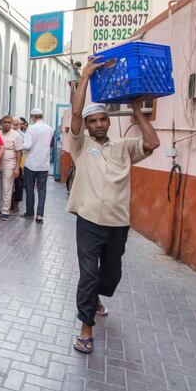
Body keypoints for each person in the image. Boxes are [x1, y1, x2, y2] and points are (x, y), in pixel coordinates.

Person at [68, 57, 159, 355]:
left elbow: (153, 143)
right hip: (89, 221)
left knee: (111, 274)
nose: (96, 125)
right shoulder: (81, 146)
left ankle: (95, 298)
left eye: (102, 120)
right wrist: (86, 77)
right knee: (89, 274)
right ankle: (86, 327)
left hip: (118, 223)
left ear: (108, 122)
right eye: (92, 121)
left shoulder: (123, 147)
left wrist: (136, 111)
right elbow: (77, 112)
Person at [22, 108, 55, 223]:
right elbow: (50, 146)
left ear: (33, 117)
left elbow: (27, 145)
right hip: (44, 164)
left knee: (30, 188)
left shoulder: (31, 128)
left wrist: (20, 145)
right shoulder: (50, 129)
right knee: (42, 190)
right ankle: (40, 215)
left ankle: (30, 212)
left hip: (31, 164)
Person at [0, 116, 23, 221]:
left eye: (9, 122)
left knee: (7, 187)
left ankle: (5, 211)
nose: (7, 124)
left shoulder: (16, 135)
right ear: (2, 123)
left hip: (10, 164)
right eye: (5, 122)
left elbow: (18, 152)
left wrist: (17, 167)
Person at [12, 117, 28, 211]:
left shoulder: (23, 135)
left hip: (20, 161)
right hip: (9, 161)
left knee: (18, 183)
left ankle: (16, 203)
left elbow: (24, 148)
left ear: (19, 125)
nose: (14, 126)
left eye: (16, 125)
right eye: (13, 124)